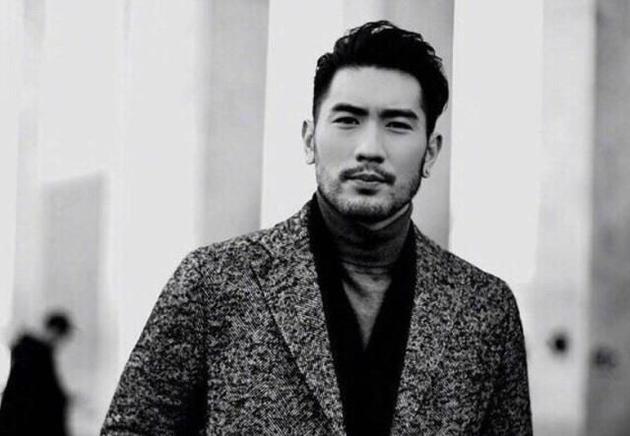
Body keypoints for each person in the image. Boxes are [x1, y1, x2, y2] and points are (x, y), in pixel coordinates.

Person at [102, 21, 531, 435]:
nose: (370, 149)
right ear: (309, 140)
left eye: (398, 124)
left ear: (431, 152)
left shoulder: (486, 310)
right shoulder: (213, 282)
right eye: (347, 120)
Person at [0, 311, 73, 436]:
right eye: (61, 338)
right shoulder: (40, 355)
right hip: (29, 425)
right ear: (54, 331)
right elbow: (46, 396)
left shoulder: (27, 351)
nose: (59, 344)